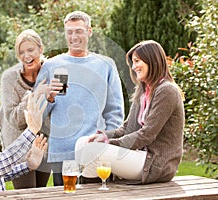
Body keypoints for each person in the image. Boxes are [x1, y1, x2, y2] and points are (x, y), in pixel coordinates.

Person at [34, 11, 125, 186]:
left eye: (79, 31)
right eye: (69, 32)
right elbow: (36, 113)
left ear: (89, 31)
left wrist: (108, 142)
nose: (73, 36)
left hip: (95, 150)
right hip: (62, 153)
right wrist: (49, 98)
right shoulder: (51, 65)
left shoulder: (105, 65)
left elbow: (115, 111)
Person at [76, 40, 185, 184]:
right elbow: (127, 128)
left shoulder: (166, 91)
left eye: (137, 61)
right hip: (138, 155)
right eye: (132, 63)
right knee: (82, 143)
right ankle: (93, 192)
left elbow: (147, 134)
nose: (134, 67)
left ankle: (86, 193)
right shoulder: (144, 91)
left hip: (154, 163)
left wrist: (109, 143)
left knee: (94, 151)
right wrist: (102, 136)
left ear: (152, 60)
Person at [0, 29, 51, 189]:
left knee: (40, 192)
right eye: (21, 52)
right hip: (18, 144)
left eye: (31, 50)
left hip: (43, 142)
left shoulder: (50, 71)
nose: (26, 56)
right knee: (26, 194)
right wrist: (34, 94)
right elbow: (14, 119)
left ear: (41, 49)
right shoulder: (9, 77)